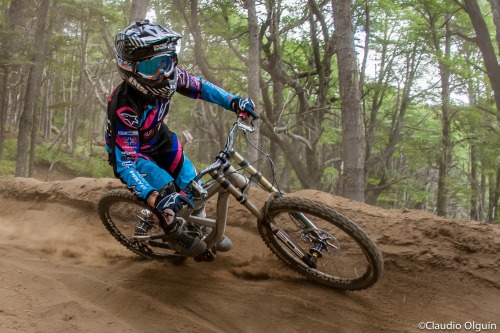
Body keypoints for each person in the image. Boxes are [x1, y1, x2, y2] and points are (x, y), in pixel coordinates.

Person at [105, 20, 258, 258]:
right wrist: (154, 198)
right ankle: (174, 235)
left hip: (159, 138)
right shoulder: (124, 105)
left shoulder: (172, 77)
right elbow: (125, 163)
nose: (163, 74)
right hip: (134, 155)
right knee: (167, 193)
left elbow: (202, 88)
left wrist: (234, 101)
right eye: (152, 67)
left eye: (166, 63)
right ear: (129, 68)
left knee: (192, 183)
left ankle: (198, 226)